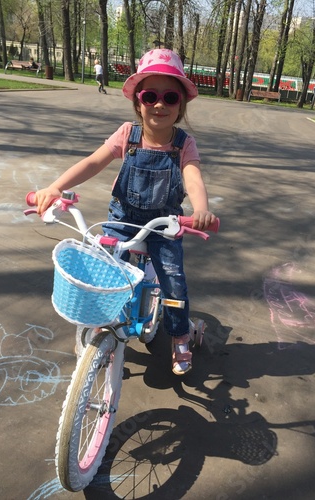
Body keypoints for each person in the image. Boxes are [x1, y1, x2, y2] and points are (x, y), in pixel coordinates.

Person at [34, 48, 217, 376]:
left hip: (164, 226)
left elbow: (193, 177)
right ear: (138, 103)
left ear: (180, 105)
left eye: (170, 97)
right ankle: (99, 324)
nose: (159, 104)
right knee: (102, 270)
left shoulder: (183, 144)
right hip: (121, 220)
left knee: (173, 282)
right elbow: (93, 162)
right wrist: (55, 187)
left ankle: (178, 337)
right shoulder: (127, 135)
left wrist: (200, 209)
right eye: (150, 96)